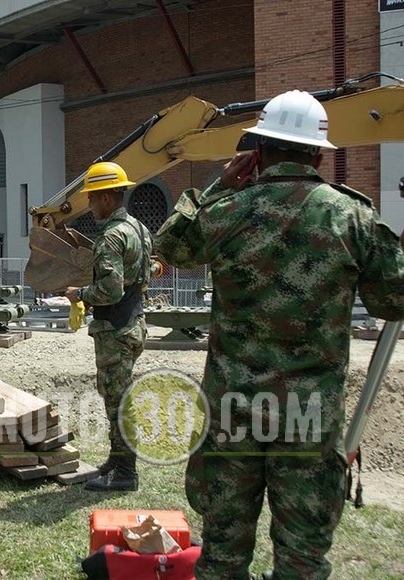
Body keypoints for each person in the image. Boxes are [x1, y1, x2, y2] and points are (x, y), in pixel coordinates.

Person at [154, 90, 404, 579]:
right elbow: (393, 301)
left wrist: (215, 188)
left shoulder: (227, 211)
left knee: (223, 556)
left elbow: (170, 247)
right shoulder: (352, 216)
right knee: (302, 560)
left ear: (259, 150)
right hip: (308, 417)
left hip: (233, 412)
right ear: (317, 154)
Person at [64, 162, 153, 493]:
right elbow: (146, 272)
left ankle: (126, 472)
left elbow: (110, 290)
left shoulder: (111, 237)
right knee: (117, 396)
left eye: (91, 198)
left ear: (105, 198)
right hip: (133, 322)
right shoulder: (139, 229)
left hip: (115, 328)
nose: (89, 205)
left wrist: (79, 294)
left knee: (118, 401)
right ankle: (116, 461)